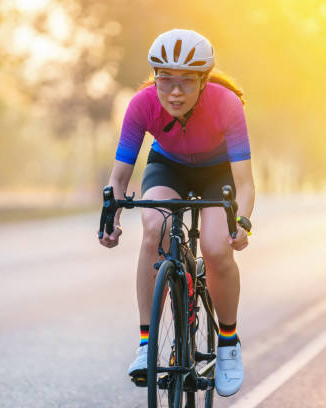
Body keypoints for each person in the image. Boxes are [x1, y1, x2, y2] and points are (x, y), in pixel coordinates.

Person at [99, 28, 254, 397]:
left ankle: (229, 343)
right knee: (154, 227)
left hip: (218, 173)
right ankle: (145, 345)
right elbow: (119, 176)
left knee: (217, 249)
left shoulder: (227, 103)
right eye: (165, 79)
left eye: (186, 81)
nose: (174, 91)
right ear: (155, 77)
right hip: (167, 167)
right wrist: (111, 216)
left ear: (203, 80)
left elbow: (245, 183)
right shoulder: (141, 104)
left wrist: (243, 223)